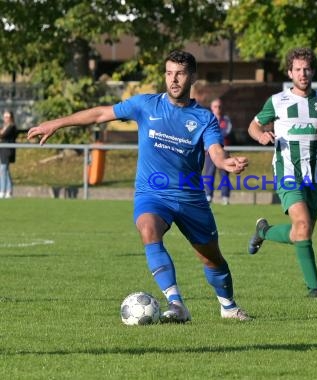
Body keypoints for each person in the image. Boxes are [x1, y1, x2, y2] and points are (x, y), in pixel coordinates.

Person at [27, 49, 251, 323]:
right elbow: (100, 114)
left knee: (211, 259)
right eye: (169, 73)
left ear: (192, 77)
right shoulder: (145, 105)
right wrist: (58, 123)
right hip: (152, 193)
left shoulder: (204, 119)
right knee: (148, 229)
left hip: (190, 197)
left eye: (180, 74)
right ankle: (176, 304)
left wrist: (225, 163)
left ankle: (228, 306)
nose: (174, 79)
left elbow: (214, 151)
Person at [247, 47, 317, 298]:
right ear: (290, 72)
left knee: (302, 232)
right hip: (287, 173)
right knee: (302, 225)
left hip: (315, 175)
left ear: (313, 71)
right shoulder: (277, 101)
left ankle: (264, 232)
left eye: (307, 69)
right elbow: (253, 126)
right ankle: (314, 290)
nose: (303, 73)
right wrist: (261, 136)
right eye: (298, 69)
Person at [203, 98, 232, 205]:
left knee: (224, 175)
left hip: (224, 152)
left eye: (219, 106)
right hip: (209, 152)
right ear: (211, 108)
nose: (218, 109)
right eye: (215, 106)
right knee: (209, 174)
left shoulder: (226, 120)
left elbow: (226, 132)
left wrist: (213, 137)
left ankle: (225, 197)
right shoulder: (207, 120)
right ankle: (208, 195)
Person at [0, 110, 17, 199]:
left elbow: (3, 135)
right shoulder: (4, 126)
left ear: (11, 118)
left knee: (2, 170)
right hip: (2, 151)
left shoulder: (12, 127)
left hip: (7, 152)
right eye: (5, 117)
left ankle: (2, 191)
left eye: (7, 117)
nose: (6, 119)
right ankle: (9, 191)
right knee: (5, 171)